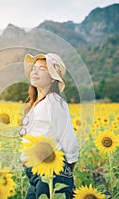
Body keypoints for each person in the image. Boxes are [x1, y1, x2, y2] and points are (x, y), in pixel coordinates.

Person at [20, 53, 79, 199]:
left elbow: (69, 140)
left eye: (42, 69)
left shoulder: (54, 101)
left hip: (52, 171)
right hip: (35, 173)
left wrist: (66, 169)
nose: (35, 71)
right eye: (34, 68)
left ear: (53, 78)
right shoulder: (36, 103)